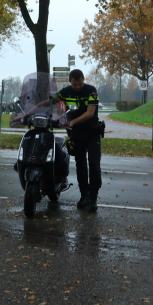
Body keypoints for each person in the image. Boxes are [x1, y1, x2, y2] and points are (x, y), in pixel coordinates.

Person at [52, 69, 102, 211]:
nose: (78, 87)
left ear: (83, 80)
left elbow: (90, 113)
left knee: (94, 164)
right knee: (80, 165)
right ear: (70, 82)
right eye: (75, 84)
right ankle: (83, 195)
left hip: (92, 132)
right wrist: (32, 111)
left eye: (80, 84)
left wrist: (73, 122)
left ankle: (93, 197)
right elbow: (50, 101)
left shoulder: (91, 91)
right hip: (76, 134)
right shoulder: (65, 92)